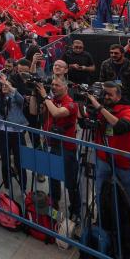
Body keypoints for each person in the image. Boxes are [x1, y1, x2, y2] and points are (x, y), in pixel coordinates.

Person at [86, 82, 130, 249]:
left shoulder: (128, 110)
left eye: (109, 95)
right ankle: (105, 238)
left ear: (118, 95)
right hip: (103, 160)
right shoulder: (102, 108)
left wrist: (99, 107)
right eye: (104, 94)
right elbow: (86, 123)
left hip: (125, 165)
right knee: (102, 197)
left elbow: (121, 126)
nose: (106, 97)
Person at [30, 75, 80, 224]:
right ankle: (54, 208)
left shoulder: (71, 103)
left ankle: (75, 212)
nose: (53, 87)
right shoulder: (52, 100)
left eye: (57, 85)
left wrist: (45, 97)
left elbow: (57, 113)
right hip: (51, 145)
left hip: (66, 148)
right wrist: (35, 93)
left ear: (65, 87)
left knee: (70, 182)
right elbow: (33, 112)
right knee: (53, 179)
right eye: (52, 84)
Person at [0, 74, 28, 191]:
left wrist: (9, 86)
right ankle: (7, 184)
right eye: (2, 85)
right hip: (2, 133)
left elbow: (21, 100)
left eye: (7, 84)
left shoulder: (16, 97)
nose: (4, 86)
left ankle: (23, 186)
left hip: (16, 133)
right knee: (5, 161)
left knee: (19, 161)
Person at [100, 44, 130, 110]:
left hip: (127, 99)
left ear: (123, 54)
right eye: (111, 53)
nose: (113, 55)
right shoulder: (105, 64)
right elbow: (102, 82)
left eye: (116, 53)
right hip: (111, 98)